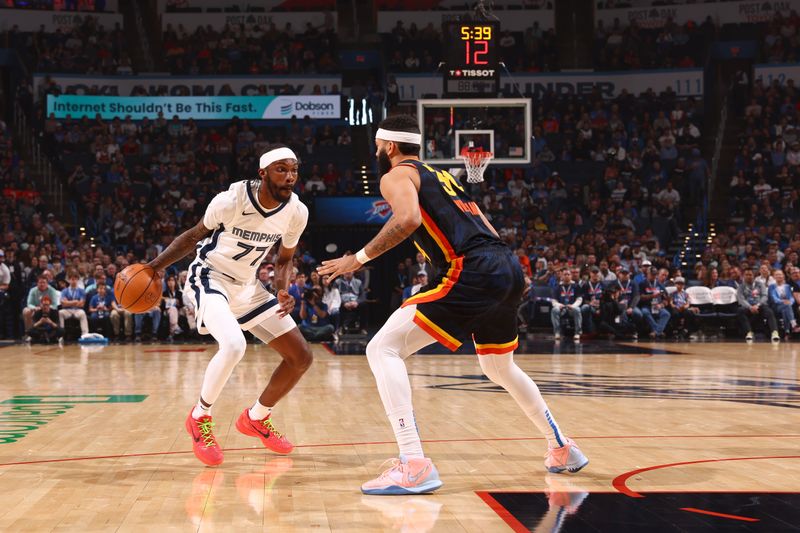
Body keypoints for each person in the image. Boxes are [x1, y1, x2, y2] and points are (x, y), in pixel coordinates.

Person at [318, 115, 587, 495]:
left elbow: (408, 219)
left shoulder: (396, 175)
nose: (377, 153)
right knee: (499, 366)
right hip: (506, 266)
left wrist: (356, 259)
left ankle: (413, 464)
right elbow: (484, 228)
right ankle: (561, 448)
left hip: (473, 269)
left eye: (378, 147)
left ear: (389, 146)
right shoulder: (439, 175)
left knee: (382, 347)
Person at [147, 145, 312, 467]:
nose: (290, 176)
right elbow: (193, 236)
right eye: (281, 169)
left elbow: (284, 259)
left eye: (294, 170)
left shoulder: (297, 212)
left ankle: (257, 417)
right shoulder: (230, 201)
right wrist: (154, 267)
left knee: (301, 357)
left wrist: (281, 290)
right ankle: (199, 417)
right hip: (210, 278)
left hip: (248, 287)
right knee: (234, 345)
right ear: (263, 173)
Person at [737, 267, 779, 342]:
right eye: (746, 275)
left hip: (760, 305)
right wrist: (750, 307)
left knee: (769, 311)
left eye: (750, 275)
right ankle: (749, 332)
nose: (748, 276)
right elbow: (741, 299)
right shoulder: (741, 287)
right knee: (740, 310)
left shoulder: (760, 284)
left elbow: (764, 296)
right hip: (748, 307)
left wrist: (757, 305)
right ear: (743, 276)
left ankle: (774, 332)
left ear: (754, 276)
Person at [551, 268, 583, 342]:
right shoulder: (557, 287)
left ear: (571, 276)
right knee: (554, 310)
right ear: (562, 276)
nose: (567, 276)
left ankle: (577, 333)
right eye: (565, 274)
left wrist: (573, 306)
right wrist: (559, 305)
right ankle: (557, 333)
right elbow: (553, 301)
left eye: (568, 274)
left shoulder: (576, 286)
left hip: (571, 308)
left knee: (577, 309)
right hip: (562, 309)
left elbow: (579, 299)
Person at [768, 269, 800, 339]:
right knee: (787, 306)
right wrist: (783, 302)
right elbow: (774, 298)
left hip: (786, 306)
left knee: (786, 308)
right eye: (777, 274)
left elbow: (791, 298)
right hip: (775, 306)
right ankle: (793, 324)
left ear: (783, 276)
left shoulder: (787, 286)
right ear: (774, 277)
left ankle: (787, 332)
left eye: (780, 274)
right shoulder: (771, 286)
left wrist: (790, 302)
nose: (779, 276)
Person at [58, 272, 89, 338]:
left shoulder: (81, 291)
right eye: (72, 279)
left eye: (75, 279)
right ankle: (61, 334)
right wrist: (75, 302)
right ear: (69, 280)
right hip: (67, 310)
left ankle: (85, 335)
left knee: (83, 313)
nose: (73, 281)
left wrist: (68, 302)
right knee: (60, 313)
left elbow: (81, 304)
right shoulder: (64, 291)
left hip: (78, 310)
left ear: (77, 280)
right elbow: (63, 304)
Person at [161, 275, 184, 340]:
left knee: (174, 310)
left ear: (175, 282)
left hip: (177, 310)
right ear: (167, 283)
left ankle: (172, 333)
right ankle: (176, 328)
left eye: (172, 280)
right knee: (172, 309)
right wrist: (165, 302)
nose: (171, 282)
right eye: (169, 280)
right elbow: (162, 306)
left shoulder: (179, 293)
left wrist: (178, 303)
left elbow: (182, 305)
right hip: (167, 310)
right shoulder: (164, 293)